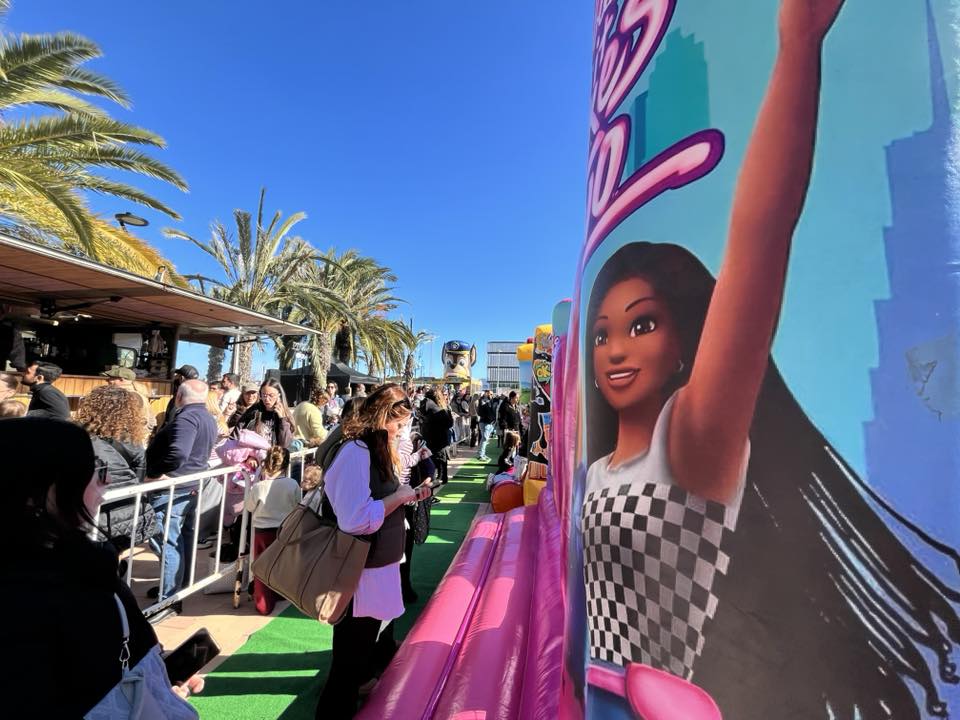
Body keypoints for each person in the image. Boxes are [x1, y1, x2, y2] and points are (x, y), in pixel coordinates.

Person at [578, 1, 960, 716]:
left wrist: (797, 46)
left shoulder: (687, 447)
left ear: (688, 337)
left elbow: (761, 233)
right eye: (601, 334)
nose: (615, 350)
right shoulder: (601, 467)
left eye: (643, 324)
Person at [0, 417, 201, 718]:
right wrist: (151, 695)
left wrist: (157, 682)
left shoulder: (82, 573)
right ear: (42, 491)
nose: (106, 481)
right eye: (93, 472)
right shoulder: (78, 585)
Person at [316, 384, 429, 718]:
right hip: (360, 572)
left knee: (356, 659)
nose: (400, 432)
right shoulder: (355, 451)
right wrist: (398, 498)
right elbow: (354, 518)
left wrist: (404, 495)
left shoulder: (375, 450)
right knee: (347, 667)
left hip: (374, 569)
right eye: (397, 425)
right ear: (382, 418)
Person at [146, 379, 217, 602]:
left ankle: (168, 597)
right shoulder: (207, 417)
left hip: (175, 488)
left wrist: (156, 472)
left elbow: (178, 453)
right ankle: (177, 586)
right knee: (180, 538)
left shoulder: (186, 418)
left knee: (167, 540)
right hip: (190, 485)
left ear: (178, 396)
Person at [76, 385, 156, 553]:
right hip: (127, 511)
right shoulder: (134, 442)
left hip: (92, 512)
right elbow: (139, 477)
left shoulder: (80, 437)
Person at [244, 446, 300, 615]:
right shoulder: (292, 484)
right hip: (283, 529)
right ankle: (279, 593)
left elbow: (249, 506)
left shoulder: (259, 487)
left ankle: (263, 602)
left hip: (262, 531)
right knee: (280, 565)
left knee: (262, 567)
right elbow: (298, 505)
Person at [230, 377, 294, 448]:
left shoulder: (285, 415)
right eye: (264, 395)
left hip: (273, 455)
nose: (267, 399)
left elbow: (285, 444)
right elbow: (235, 436)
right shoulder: (253, 411)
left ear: (279, 395)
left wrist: (282, 419)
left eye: (271, 395)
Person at [101, 365, 156, 435]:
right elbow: (152, 421)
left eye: (111, 378)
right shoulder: (140, 394)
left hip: (126, 440)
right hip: (136, 439)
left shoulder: (125, 396)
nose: (107, 380)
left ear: (122, 379)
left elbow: (115, 422)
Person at [420, 387, 453, 485]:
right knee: (441, 458)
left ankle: (438, 478)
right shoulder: (439, 408)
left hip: (430, 436)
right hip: (439, 437)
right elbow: (449, 423)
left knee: (433, 459)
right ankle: (441, 478)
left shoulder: (430, 406)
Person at [476, 389, 497, 461]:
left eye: (492, 394)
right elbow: (480, 412)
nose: (491, 395)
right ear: (486, 394)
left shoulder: (491, 401)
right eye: (490, 394)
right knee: (484, 439)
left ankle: (483, 454)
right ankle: (480, 455)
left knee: (485, 439)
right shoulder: (482, 401)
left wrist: (494, 419)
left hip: (490, 423)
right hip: (484, 422)